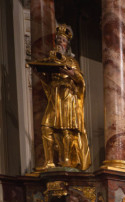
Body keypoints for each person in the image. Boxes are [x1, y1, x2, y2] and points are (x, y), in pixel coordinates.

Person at [30, 24, 91, 170]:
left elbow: (81, 81)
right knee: (46, 127)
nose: (59, 43)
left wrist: (72, 74)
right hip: (54, 98)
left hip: (67, 98)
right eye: (58, 40)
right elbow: (48, 82)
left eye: (62, 40)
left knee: (66, 130)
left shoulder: (72, 62)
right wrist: (40, 75)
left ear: (67, 44)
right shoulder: (51, 60)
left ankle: (66, 160)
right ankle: (49, 161)